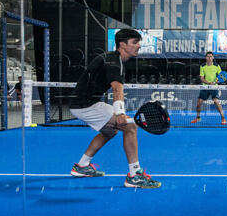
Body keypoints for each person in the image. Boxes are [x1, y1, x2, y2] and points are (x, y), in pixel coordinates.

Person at [69, 28, 160, 189]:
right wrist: (119, 113)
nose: (139, 45)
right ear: (122, 44)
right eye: (134, 42)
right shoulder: (113, 61)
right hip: (85, 104)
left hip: (86, 102)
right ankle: (134, 176)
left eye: (138, 42)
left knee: (110, 131)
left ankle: (82, 166)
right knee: (130, 127)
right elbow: (117, 88)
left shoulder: (116, 60)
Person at [191, 51, 227, 125]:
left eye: (211, 56)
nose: (209, 58)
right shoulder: (203, 66)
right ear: (206, 57)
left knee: (216, 101)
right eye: (208, 56)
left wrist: (215, 82)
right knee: (199, 103)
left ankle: (223, 118)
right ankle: (198, 118)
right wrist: (208, 83)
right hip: (205, 87)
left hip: (214, 87)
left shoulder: (217, 66)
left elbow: (220, 76)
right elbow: (202, 78)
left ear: (213, 57)